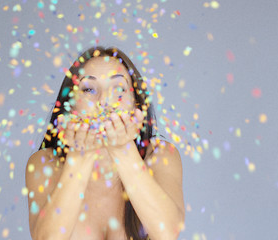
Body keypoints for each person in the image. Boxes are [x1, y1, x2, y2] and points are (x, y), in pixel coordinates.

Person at [25, 46, 185, 240]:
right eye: (89, 89)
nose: (104, 101)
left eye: (118, 88)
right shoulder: (45, 163)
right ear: (70, 106)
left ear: (136, 104)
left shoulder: (160, 155)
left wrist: (123, 150)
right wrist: (81, 156)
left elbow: (168, 233)